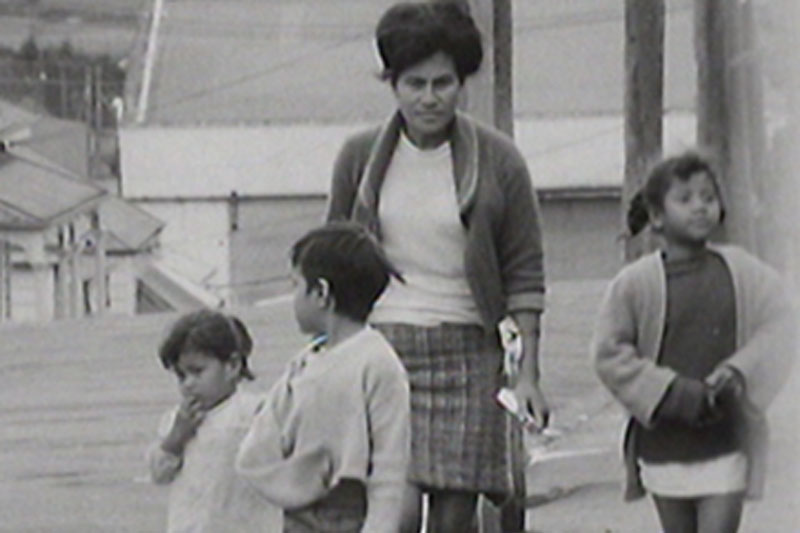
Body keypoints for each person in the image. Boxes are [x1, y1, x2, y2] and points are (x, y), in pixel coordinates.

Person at [325, 2, 548, 530]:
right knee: (395, 514)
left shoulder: (500, 161)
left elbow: (524, 277)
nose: (429, 98)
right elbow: (331, 260)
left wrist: (530, 375)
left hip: (471, 353)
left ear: (462, 84)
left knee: (454, 520)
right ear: (393, 84)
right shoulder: (358, 158)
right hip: (384, 352)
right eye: (414, 83)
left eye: (443, 83)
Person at [592, 152, 797, 533]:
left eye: (708, 197)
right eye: (685, 199)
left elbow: (783, 322)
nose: (699, 207)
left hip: (725, 441)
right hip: (665, 446)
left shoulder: (742, 270)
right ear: (656, 216)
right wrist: (670, 392)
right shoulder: (635, 284)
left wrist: (741, 371)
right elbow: (609, 353)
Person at [235, 222, 411, 533]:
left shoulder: (378, 363)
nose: (293, 298)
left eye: (295, 286)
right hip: (296, 519)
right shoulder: (303, 363)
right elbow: (257, 451)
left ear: (321, 293)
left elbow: (389, 468)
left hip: (351, 518)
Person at [146, 310, 274, 532]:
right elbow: (159, 473)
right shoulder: (177, 419)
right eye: (181, 376)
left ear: (232, 366)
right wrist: (175, 439)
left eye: (197, 372)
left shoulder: (255, 412)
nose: (188, 384)